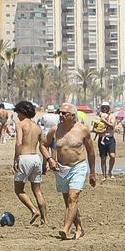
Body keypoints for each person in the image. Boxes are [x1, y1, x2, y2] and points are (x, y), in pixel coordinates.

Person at [44, 101, 98, 241]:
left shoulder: (83, 130)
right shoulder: (55, 130)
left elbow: (91, 152)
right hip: (61, 168)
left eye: (64, 113)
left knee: (73, 197)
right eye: (59, 113)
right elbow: (43, 146)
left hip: (78, 166)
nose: (61, 115)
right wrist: (50, 159)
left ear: (73, 116)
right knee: (68, 201)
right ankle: (79, 228)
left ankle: (65, 228)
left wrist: (92, 172)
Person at [12, 99, 47, 226]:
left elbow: (19, 142)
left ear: (22, 112)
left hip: (25, 157)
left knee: (19, 190)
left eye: (17, 112)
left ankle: (33, 210)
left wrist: (16, 159)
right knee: (37, 190)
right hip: (36, 157)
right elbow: (43, 145)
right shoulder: (37, 127)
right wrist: (45, 162)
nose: (17, 115)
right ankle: (45, 219)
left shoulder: (20, 124)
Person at [94, 105, 118, 179]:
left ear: (108, 108)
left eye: (106, 108)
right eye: (103, 108)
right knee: (103, 158)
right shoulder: (98, 117)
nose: (104, 109)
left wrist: (104, 121)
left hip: (110, 139)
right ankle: (104, 175)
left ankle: (110, 171)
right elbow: (94, 128)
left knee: (112, 156)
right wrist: (99, 130)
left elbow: (112, 126)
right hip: (102, 139)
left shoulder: (112, 116)